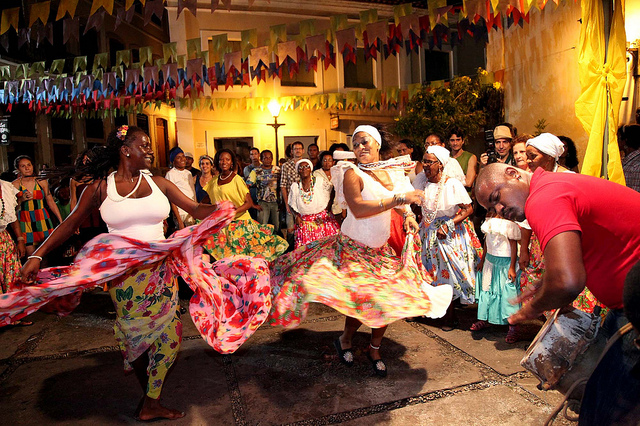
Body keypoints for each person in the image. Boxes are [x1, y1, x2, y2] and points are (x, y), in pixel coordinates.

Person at [12, 125, 271, 421]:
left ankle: (151, 399)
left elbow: (195, 208)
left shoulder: (159, 183)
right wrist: (36, 255)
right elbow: (69, 224)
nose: (149, 150)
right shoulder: (101, 189)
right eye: (144, 145)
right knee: (136, 337)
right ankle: (151, 400)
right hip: (125, 277)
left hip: (160, 270)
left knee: (171, 336)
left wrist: (221, 210)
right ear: (125, 150)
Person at [269, 125, 452, 377]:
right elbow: (358, 208)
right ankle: (345, 339)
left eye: (365, 141)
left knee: (385, 301)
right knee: (362, 299)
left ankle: (374, 349)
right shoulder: (351, 172)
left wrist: (408, 215)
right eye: (355, 144)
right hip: (352, 250)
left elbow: (399, 200)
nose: (360, 147)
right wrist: (401, 200)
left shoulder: (390, 171)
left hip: (380, 250)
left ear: (377, 144)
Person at [475, 162, 640, 426]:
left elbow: (567, 282)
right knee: (597, 391)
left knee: (607, 411)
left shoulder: (543, 198)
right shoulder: (551, 187)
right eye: (492, 208)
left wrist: (531, 309)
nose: (500, 210)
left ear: (513, 174)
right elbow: (583, 251)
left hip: (634, 309)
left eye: (497, 197)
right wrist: (546, 282)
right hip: (626, 305)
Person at [414, 146, 478, 330]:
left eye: (430, 162)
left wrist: (448, 225)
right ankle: (428, 310)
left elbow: (468, 209)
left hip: (447, 235)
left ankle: (450, 317)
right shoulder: (421, 183)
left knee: (446, 274)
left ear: (440, 164)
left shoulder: (452, 184)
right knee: (427, 272)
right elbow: (416, 206)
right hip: (427, 232)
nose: (426, 165)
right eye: (424, 161)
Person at [202, 149, 287, 261]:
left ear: (232, 162)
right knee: (225, 257)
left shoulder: (237, 180)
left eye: (227, 159)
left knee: (245, 256)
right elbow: (206, 200)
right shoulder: (214, 181)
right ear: (217, 161)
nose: (224, 162)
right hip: (222, 223)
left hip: (239, 223)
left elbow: (248, 203)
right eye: (221, 159)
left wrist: (233, 212)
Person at [472, 214, 522, 343]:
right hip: (490, 261)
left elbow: (513, 245)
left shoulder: (509, 224)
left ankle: (513, 326)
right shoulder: (489, 220)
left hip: (505, 263)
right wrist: (483, 260)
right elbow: (486, 243)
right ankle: (484, 318)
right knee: (487, 288)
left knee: (507, 293)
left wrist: (512, 267)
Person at [12, 155, 63, 257]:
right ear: (18, 169)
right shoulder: (14, 185)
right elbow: (11, 209)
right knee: (31, 255)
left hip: (42, 219)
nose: (27, 168)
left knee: (45, 255)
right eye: (23, 166)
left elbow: (50, 201)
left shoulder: (41, 181)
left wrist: (61, 220)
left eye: (29, 165)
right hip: (25, 221)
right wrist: (21, 200)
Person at [288, 159, 339, 248]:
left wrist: (328, 207)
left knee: (325, 249)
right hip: (305, 224)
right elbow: (291, 204)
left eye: (307, 166)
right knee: (307, 251)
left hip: (321, 221)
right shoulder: (295, 186)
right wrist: (296, 216)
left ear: (311, 169)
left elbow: (332, 190)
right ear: (298, 171)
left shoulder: (319, 181)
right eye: (301, 167)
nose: (304, 169)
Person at [0, 179, 26, 294]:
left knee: (11, 281)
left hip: (4, 241)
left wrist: (20, 239)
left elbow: (12, 218)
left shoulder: (6, 187)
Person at [247, 150, 280, 235]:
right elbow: (247, 187)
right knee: (262, 227)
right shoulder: (256, 171)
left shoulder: (277, 170)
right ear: (261, 159)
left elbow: (282, 186)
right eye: (265, 158)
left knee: (276, 227)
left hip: (275, 202)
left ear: (272, 159)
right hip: (262, 202)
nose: (268, 160)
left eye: (269, 158)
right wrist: (252, 204)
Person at [165, 148, 196, 229]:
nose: (182, 159)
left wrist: (196, 210)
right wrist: (179, 220)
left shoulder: (188, 173)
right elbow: (172, 198)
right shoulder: (171, 174)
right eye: (178, 157)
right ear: (173, 161)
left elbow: (192, 192)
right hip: (181, 213)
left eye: (183, 156)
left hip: (192, 212)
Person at [280, 141, 304, 243]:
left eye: (299, 148)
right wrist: (286, 204)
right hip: (290, 201)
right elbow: (283, 185)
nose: (297, 151)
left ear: (303, 151)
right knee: (290, 229)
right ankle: (290, 250)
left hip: (304, 201)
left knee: (302, 227)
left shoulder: (306, 164)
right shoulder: (286, 166)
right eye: (295, 149)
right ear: (292, 151)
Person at [314, 151, 344, 222]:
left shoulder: (338, 173)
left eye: (329, 160)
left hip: (337, 207)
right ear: (321, 162)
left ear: (333, 162)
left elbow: (342, 191)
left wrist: (344, 209)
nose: (327, 163)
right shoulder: (316, 173)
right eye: (325, 160)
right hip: (322, 207)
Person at [620, 124, 640, 193]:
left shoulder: (637, 165)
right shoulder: (626, 159)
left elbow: (636, 193)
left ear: (625, 141)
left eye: (618, 138)